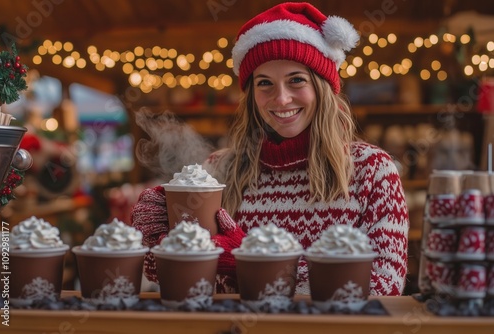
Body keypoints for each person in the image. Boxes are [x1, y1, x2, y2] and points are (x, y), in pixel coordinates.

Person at [131, 2, 409, 296]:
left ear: (322, 87)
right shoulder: (217, 170)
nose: (282, 98)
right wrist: (159, 240)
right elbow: (182, 284)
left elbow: (384, 286)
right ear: (251, 96)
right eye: (265, 83)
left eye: (296, 80)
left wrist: (250, 260)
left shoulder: (372, 170)